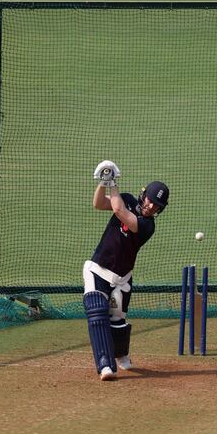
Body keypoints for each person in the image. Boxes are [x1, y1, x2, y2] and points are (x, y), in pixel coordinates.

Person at [83, 160, 169, 381]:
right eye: (151, 200)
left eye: (157, 206)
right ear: (144, 195)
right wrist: (104, 183)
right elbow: (99, 204)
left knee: (118, 321)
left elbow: (120, 211)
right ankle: (105, 365)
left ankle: (121, 355)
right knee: (96, 312)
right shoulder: (128, 198)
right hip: (98, 270)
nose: (151, 207)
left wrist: (112, 182)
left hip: (122, 278)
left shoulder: (148, 226)